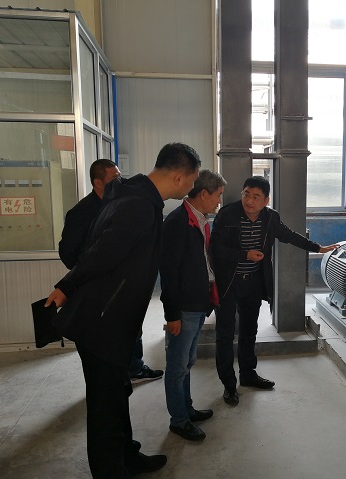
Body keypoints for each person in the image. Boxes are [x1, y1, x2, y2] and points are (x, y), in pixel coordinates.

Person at [45, 143, 201, 478]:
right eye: (192, 181)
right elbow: (101, 254)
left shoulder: (135, 197)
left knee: (118, 393)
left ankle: (126, 456)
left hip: (114, 319)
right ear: (178, 177)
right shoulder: (138, 206)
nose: (191, 188)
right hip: (101, 321)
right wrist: (66, 286)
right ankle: (109, 470)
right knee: (104, 404)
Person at [210, 176, 339, 406]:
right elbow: (216, 249)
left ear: (266, 200)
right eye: (246, 194)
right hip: (228, 283)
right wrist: (245, 255)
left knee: (249, 331)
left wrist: (317, 248)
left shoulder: (270, 218)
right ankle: (229, 385)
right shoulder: (227, 215)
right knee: (226, 335)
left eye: (255, 197)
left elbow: (289, 235)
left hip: (253, 283)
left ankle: (248, 375)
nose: (249, 201)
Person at [58, 159, 164, 385]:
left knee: (132, 330)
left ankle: (134, 367)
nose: (120, 181)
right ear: (98, 182)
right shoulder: (81, 212)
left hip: (122, 289)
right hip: (98, 291)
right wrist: (86, 271)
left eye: (120, 175)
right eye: (114, 178)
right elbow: (69, 253)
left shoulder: (120, 203)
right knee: (104, 363)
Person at [160, 169, 226, 441]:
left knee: (187, 361)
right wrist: (172, 314)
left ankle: (186, 409)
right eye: (218, 195)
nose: (219, 201)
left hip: (199, 301)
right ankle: (179, 421)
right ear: (204, 194)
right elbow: (168, 272)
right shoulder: (177, 222)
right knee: (177, 366)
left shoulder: (201, 218)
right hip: (184, 306)